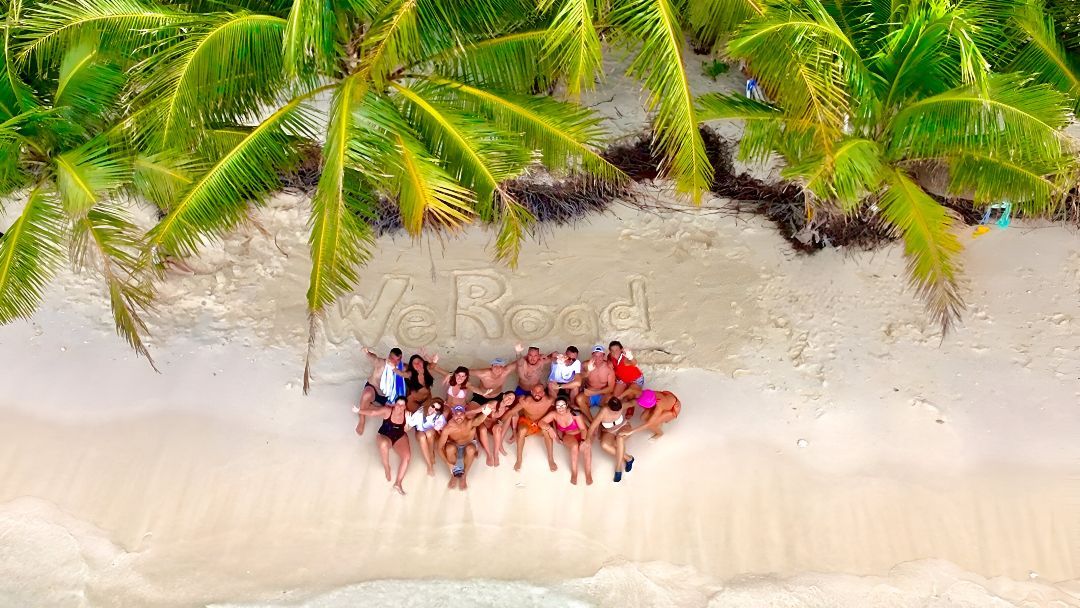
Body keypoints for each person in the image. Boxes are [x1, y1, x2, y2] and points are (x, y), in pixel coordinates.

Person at [358, 396, 412, 495]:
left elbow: (406, 429)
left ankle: (398, 483)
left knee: (407, 457)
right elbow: (373, 413)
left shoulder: (407, 414)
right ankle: (387, 467)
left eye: (402, 405)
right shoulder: (387, 410)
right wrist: (359, 410)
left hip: (399, 437)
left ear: (405, 407)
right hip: (384, 435)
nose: (399, 407)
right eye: (398, 404)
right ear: (395, 404)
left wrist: (409, 425)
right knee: (383, 445)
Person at [499, 383, 558, 472]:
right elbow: (511, 412)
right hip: (527, 423)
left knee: (547, 430)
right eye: (535, 392)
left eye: (540, 392)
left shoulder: (549, 401)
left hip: (540, 424)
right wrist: (500, 422)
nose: (537, 394)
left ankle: (551, 459)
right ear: (531, 392)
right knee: (522, 430)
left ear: (543, 393)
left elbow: (561, 405)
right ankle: (519, 459)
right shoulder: (526, 401)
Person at [540, 395, 592, 485]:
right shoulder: (553, 414)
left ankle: (588, 473)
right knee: (574, 446)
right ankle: (574, 472)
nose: (561, 408)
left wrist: (583, 441)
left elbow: (583, 429)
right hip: (568, 435)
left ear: (567, 405)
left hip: (581, 433)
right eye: (558, 406)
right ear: (555, 407)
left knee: (587, 447)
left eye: (563, 405)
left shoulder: (574, 413)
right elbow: (541, 422)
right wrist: (549, 428)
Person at [354, 347, 407, 435]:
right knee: (366, 394)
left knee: (397, 410)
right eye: (392, 358)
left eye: (397, 360)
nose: (394, 362)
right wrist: (367, 351)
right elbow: (372, 357)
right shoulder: (380, 363)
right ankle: (362, 419)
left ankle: (370, 407)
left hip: (387, 396)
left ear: (400, 360)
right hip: (374, 390)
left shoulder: (402, 368)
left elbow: (411, 373)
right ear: (388, 356)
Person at [437, 404, 491, 491]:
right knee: (449, 448)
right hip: (455, 445)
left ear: (464, 414)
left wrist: (485, 413)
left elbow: (478, 420)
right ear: (453, 415)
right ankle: (454, 473)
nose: (459, 416)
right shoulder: (448, 428)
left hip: (468, 444)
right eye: (456, 414)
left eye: (461, 414)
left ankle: (464, 475)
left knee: (471, 449)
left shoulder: (470, 423)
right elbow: (439, 448)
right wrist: (448, 464)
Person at [586, 396, 635, 483]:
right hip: (610, 431)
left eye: (618, 411)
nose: (616, 413)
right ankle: (628, 458)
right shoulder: (603, 412)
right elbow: (592, 427)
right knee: (604, 445)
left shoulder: (622, 405)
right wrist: (587, 440)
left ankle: (618, 468)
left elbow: (633, 402)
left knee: (619, 439)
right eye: (614, 411)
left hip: (624, 427)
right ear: (609, 407)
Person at [468, 390, 516, 467]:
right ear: (503, 396)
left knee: (497, 428)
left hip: (492, 425)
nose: (510, 400)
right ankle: (488, 454)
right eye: (509, 397)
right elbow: (475, 411)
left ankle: (495, 453)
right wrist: (464, 414)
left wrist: (501, 422)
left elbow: (508, 417)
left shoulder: (506, 409)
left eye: (512, 399)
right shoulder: (493, 403)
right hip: (483, 423)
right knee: (483, 430)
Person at [408, 397, 447, 476]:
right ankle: (429, 465)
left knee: (429, 433)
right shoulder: (419, 413)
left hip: (431, 433)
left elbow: (443, 428)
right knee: (422, 437)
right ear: (430, 404)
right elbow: (409, 425)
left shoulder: (438, 416)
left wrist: (439, 427)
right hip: (420, 432)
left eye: (436, 409)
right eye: (433, 406)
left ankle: (431, 452)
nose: (433, 410)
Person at [576, 345, 615, 421]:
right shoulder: (585, 365)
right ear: (592, 355)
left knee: (611, 400)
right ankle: (591, 420)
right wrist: (588, 371)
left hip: (602, 395)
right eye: (595, 356)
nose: (598, 358)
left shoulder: (609, 368)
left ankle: (600, 420)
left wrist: (594, 393)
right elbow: (578, 377)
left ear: (604, 356)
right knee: (579, 399)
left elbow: (611, 388)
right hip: (588, 395)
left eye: (600, 356)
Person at [607, 341, 644, 415]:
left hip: (635, 380)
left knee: (630, 394)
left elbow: (634, 363)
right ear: (610, 351)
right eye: (612, 350)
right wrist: (609, 362)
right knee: (615, 397)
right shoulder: (611, 356)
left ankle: (631, 407)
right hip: (622, 379)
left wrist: (630, 356)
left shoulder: (625, 359)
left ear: (621, 350)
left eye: (617, 350)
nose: (614, 352)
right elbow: (608, 357)